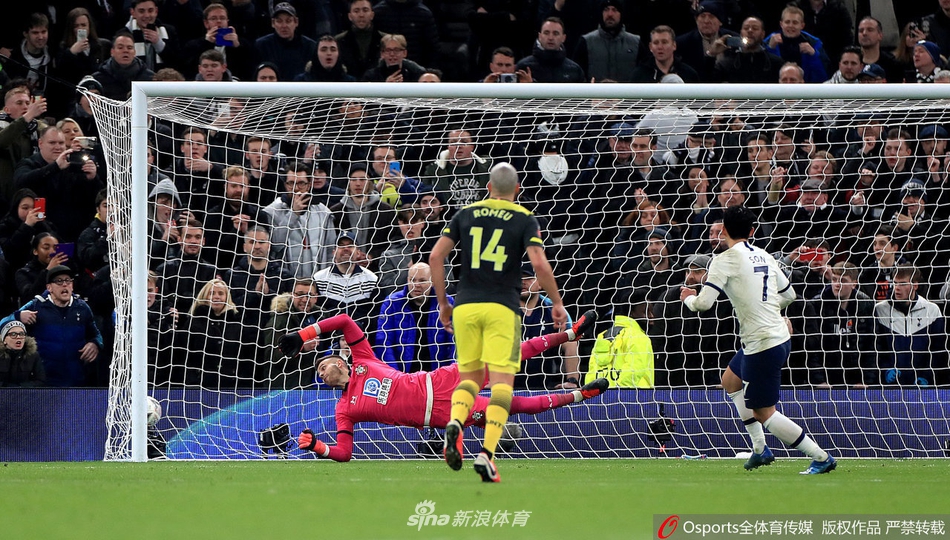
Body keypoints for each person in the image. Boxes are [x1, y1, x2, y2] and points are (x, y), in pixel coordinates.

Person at [281, 312, 605, 462]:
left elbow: (344, 321)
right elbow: (345, 453)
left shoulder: (364, 358)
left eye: (324, 366)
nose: (322, 373)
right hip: (438, 412)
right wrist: (317, 448)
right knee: (512, 406)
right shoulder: (344, 409)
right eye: (319, 373)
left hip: (440, 380)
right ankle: (580, 394)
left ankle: (570, 335)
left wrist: (303, 335)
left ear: (341, 361)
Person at [429, 162, 567, 482]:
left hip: (465, 306)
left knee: (471, 378)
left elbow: (436, 257)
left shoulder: (465, 213)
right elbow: (539, 263)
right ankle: (486, 455)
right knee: (502, 383)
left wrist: (443, 305)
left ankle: (455, 422)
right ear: (516, 190)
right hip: (502, 307)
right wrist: (557, 303)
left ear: (487, 188)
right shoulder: (523, 217)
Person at [680, 205, 836, 475]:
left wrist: (687, 299)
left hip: (763, 343)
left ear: (724, 231)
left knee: (764, 412)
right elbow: (789, 296)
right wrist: (772, 312)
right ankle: (760, 449)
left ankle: (820, 457)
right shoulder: (764, 255)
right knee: (730, 381)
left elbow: (704, 304)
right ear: (752, 231)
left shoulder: (723, 260)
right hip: (771, 337)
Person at [4, 265, 102, 387]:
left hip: (76, 381)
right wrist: (18, 316)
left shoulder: (82, 308)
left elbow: (96, 334)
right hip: (45, 382)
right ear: (49, 287)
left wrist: (95, 344)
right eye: (59, 281)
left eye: (68, 280)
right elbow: (3, 323)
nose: (65, 285)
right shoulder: (36, 305)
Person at [873, 264, 948, 387]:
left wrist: (927, 376)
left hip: (924, 388)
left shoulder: (932, 310)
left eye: (902, 284)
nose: (897, 288)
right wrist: (885, 370)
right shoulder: (880, 310)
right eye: (895, 283)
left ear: (915, 285)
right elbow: (876, 348)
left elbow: (938, 351)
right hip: (890, 388)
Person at [572, 0, 640, 83]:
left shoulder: (636, 43)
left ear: (621, 14)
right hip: (594, 95)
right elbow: (577, 75)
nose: (610, 14)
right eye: (606, 9)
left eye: (614, 10)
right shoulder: (586, 41)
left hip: (627, 95)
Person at [764, 5, 830, 84]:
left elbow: (823, 77)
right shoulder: (768, 42)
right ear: (781, 24)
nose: (791, 26)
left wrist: (814, 55)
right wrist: (770, 49)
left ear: (802, 25)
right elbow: (763, 72)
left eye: (795, 22)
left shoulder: (814, 43)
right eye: (787, 22)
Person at [253, 3, 317, 81]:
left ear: (296, 22)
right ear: (273, 23)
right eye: (279, 21)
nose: (284, 25)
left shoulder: (310, 46)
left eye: (288, 21)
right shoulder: (261, 45)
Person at [514, 18, 586, 83]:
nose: (550, 37)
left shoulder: (574, 70)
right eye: (546, 33)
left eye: (555, 33)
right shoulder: (524, 67)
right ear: (540, 36)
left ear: (563, 38)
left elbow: (583, 97)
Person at [630, 26, 700, 83]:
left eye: (664, 42)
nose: (660, 47)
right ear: (650, 47)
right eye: (656, 43)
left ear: (674, 45)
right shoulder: (639, 75)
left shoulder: (689, 74)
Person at [334, 0, 383, 80]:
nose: (361, 15)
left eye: (365, 10)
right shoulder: (338, 41)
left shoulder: (385, 40)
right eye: (356, 11)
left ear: (372, 15)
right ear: (350, 16)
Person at [0, 319, 45, 386]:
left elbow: (40, 381)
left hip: (25, 395)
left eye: (21, 334)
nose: (18, 337)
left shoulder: (33, 355)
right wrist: (6, 387)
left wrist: (20, 388)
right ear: (4, 340)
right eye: (13, 334)